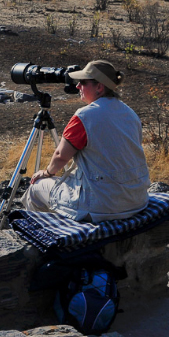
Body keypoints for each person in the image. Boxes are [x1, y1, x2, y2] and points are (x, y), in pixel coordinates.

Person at [21, 60, 149, 222]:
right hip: (137, 200)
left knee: (36, 188)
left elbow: (61, 156)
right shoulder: (130, 113)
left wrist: (46, 173)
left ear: (99, 87)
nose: (77, 86)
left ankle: (45, 236)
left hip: (103, 206)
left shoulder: (85, 116)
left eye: (83, 82)